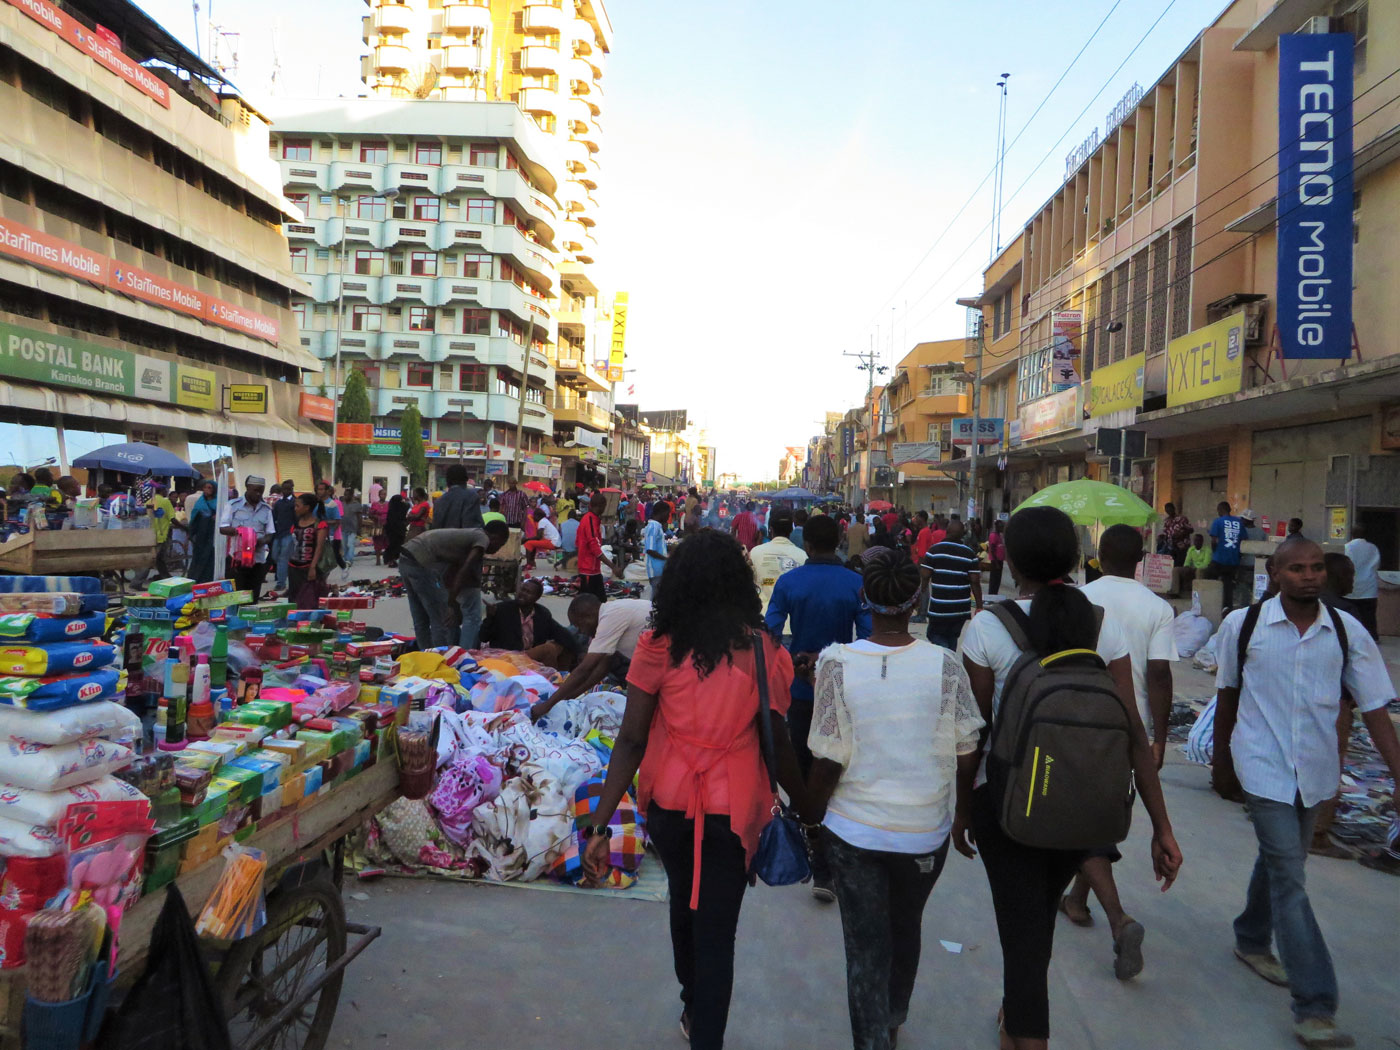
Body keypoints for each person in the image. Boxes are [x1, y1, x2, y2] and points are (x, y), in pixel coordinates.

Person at [958, 505, 1182, 1050]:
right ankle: (1016, 1019)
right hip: (1083, 804)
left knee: (1024, 937)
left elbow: (971, 738)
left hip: (1007, 803)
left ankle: (1028, 1032)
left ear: (1008, 559)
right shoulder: (1100, 627)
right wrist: (1161, 826)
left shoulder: (987, 627)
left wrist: (961, 808)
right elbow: (1130, 729)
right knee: (1033, 931)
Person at [579, 530, 807, 1049]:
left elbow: (632, 739)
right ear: (739, 584)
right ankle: (707, 1034)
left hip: (670, 805)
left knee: (684, 904)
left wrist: (600, 826)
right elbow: (779, 737)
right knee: (717, 933)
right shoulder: (763, 648)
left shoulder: (657, 645)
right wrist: (807, 805)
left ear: (678, 583)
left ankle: (691, 1003)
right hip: (735, 811)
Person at [1211, 536, 1400, 1050]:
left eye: (1316, 567)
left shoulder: (1345, 630)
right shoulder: (1243, 625)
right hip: (1262, 767)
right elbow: (1227, 696)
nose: (1309, 576)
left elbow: (1377, 708)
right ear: (1275, 572)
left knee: (1281, 861)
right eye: (1297, 568)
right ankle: (1315, 1006)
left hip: (1315, 771)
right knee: (1290, 879)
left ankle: (1251, 937)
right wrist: (1222, 765)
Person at [801, 548, 983, 1050]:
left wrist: (809, 817)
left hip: (853, 832)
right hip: (925, 830)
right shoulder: (945, 664)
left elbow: (828, 755)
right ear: (916, 598)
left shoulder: (836, 663)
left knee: (865, 945)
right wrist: (961, 815)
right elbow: (968, 748)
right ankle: (894, 1020)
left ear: (866, 597)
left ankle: (873, 1039)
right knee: (906, 927)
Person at [1061, 525, 1178, 979]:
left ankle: (1117, 918)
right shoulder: (1158, 607)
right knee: (1098, 814)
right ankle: (1076, 900)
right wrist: (1159, 737)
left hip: (1080, 720)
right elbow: (1161, 676)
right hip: (1131, 726)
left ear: (1099, 555)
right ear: (1142, 559)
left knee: (1084, 821)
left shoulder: (1080, 599)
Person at [766, 513, 871, 902]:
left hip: (799, 690)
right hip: (844, 693)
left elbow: (771, 633)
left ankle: (807, 858)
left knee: (803, 770)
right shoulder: (856, 584)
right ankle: (832, 866)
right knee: (837, 774)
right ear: (840, 540)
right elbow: (869, 636)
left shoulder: (789, 582)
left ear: (806, 544)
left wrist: (799, 659)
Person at [530, 593, 653, 719]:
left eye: (578, 625)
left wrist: (548, 705)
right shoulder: (615, 611)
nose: (581, 631)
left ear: (586, 617)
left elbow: (585, 668)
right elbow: (603, 668)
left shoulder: (610, 618)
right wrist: (569, 696)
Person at [397, 522, 510, 650]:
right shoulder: (482, 538)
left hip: (406, 558)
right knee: (440, 618)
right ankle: (441, 659)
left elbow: (453, 570)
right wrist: (450, 604)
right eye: (500, 545)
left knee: (420, 617)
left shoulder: (471, 534)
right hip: (420, 562)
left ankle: (425, 655)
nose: (497, 550)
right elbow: (464, 571)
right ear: (495, 537)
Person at [479, 578, 576, 667]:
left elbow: (561, 633)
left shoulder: (542, 614)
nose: (523, 594)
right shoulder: (502, 609)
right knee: (548, 649)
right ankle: (551, 681)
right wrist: (490, 618)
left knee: (564, 645)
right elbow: (483, 637)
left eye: (528, 592)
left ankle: (564, 678)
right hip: (509, 656)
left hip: (529, 655)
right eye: (522, 590)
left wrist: (579, 652)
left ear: (536, 598)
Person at [919, 520, 982, 650]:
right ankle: (950, 663)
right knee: (952, 636)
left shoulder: (934, 551)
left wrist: (921, 594)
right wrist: (979, 606)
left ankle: (945, 652)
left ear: (946, 532)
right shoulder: (969, 553)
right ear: (962, 535)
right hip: (961, 608)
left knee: (933, 634)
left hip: (940, 607)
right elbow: (975, 581)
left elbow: (925, 576)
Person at [219, 476, 274, 601]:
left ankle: (250, 620)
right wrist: (242, 535)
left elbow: (270, 533)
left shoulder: (266, 509)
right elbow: (222, 528)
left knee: (253, 597)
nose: (258, 493)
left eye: (261, 490)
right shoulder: (233, 505)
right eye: (255, 490)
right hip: (237, 560)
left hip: (257, 560)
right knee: (237, 597)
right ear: (247, 488)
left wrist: (259, 541)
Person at [748, 513, 807, 614]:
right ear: (791, 530)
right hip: (792, 621)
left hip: (762, 617)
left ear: (771, 529)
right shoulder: (803, 556)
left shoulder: (755, 552)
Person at [287, 493, 330, 610]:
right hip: (293, 566)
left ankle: (310, 623)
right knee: (294, 598)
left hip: (309, 567)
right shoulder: (296, 523)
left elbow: (319, 548)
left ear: (307, 507)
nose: (295, 509)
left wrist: (312, 567)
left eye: (297, 506)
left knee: (309, 599)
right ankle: (295, 623)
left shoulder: (320, 524)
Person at [1343, 523, 1381, 640]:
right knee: (1369, 615)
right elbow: (1377, 565)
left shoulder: (1347, 547)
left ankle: (1352, 638)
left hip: (1352, 586)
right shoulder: (1373, 547)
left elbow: (1344, 565)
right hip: (1369, 587)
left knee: (1350, 616)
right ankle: (1372, 637)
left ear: (1352, 534)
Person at [576, 492, 615, 601]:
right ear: (601, 506)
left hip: (592, 568)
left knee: (599, 602)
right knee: (591, 603)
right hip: (588, 569)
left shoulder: (591, 519)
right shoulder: (590, 520)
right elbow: (594, 547)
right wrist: (613, 566)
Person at [1206, 500, 1245, 610]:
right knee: (1228, 585)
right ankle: (1227, 608)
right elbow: (1243, 539)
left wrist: (1215, 552)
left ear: (1220, 510)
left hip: (1219, 558)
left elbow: (1214, 540)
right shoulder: (1239, 522)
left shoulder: (1218, 522)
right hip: (1233, 560)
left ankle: (1211, 604)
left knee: (1209, 578)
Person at [186, 480, 219, 583]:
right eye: (205, 487)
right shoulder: (200, 502)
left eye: (210, 488)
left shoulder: (219, 503)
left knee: (211, 558)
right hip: (201, 536)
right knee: (199, 557)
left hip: (213, 535)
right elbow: (194, 518)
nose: (207, 490)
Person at [433, 464, 483, 530]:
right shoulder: (472, 497)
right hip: (465, 539)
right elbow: (473, 527)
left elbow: (435, 529)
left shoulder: (438, 502)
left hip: (443, 539)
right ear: (466, 480)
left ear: (447, 481)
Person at [269, 480, 298, 593]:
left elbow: (297, 518)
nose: (286, 491)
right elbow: (274, 517)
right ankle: (286, 574)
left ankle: (281, 583)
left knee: (282, 558)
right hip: (278, 533)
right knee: (275, 556)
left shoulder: (294, 502)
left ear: (291, 489)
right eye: (284, 489)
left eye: (288, 489)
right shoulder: (279, 503)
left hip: (289, 533)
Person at [149, 484, 178, 578]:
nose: (167, 492)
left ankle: (164, 575)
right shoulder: (166, 502)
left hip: (150, 533)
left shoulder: (149, 501)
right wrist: (184, 528)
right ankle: (138, 580)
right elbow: (172, 519)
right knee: (156, 557)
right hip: (162, 534)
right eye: (166, 491)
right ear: (162, 491)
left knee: (158, 558)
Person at [316, 481, 345, 567]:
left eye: (322, 489)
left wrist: (331, 530)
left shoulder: (335, 503)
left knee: (335, 553)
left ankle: (343, 567)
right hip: (321, 532)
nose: (320, 491)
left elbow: (338, 519)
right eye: (318, 489)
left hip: (333, 532)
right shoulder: (318, 503)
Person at [643, 501, 670, 594]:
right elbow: (650, 550)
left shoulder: (657, 526)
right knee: (656, 596)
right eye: (668, 513)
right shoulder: (653, 526)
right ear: (662, 512)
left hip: (659, 568)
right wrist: (666, 558)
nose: (668, 516)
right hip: (655, 569)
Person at [340, 489, 365, 574]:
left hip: (353, 528)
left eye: (347, 495)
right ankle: (346, 559)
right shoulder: (341, 504)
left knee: (350, 544)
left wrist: (359, 528)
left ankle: (349, 560)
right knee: (344, 546)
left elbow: (359, 517)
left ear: (351, 496)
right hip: (342, 528)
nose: (345, 496)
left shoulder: (356, 505)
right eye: (345, 494)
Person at [1161, 502, 1193, 567]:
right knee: (1172, 566)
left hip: (1182, 546)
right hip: (1171, 548)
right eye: (1167, 510)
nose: (1169, 512)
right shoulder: (1166, 521)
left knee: (1181, 565)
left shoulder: (1182, 518)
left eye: (1170, 510)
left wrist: (1181, 534)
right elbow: (1166, 533)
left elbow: (1191, 529)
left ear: (1174, 509)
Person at [383, 493, 408, 567]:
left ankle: (390, 559)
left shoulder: (391, 509)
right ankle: (392, 559)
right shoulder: (403, 507)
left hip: (391, 530)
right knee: (397, 545)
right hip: (399, 530)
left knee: (392, 545)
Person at [368, 491, 389, 566]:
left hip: (387, 526)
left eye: (384, 494)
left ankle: (387, 559)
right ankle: (378, 560)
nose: (383, 496)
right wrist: (375, 517)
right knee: (377, 542)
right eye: (381, 494)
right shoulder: (375, 504)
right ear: (379, 495)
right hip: (377, 526)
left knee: (387, 542)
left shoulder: (388, 504)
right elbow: (370, 514)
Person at [986, 519, 1007, 596]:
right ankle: (991, 595)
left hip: (1000, 560)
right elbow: (992, 549)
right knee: (994, 580)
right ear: (997, 527)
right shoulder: (993, 535)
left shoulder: (999, 535)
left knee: (998, 580)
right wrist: (996, 563)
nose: (1002, 528)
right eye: (1001, 527)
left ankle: (995, 594)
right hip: (995, 561)